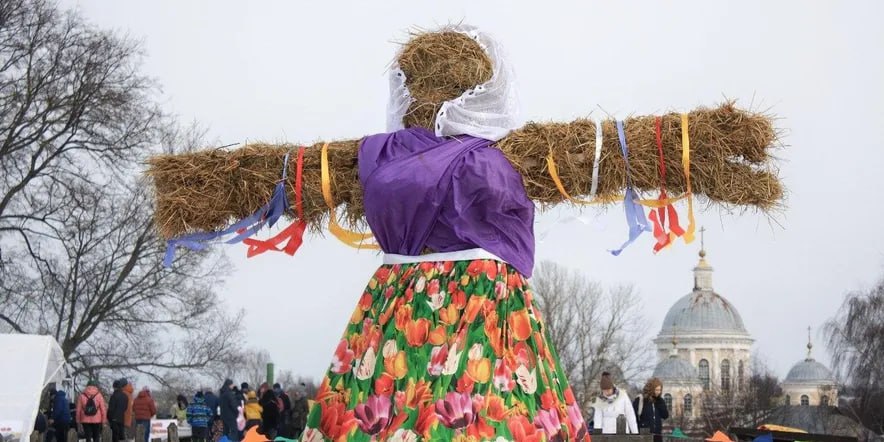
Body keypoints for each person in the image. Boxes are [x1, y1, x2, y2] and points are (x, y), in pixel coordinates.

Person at [633, 377, 669, 442]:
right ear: (651, 389)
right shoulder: (641, 400)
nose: (658, 392)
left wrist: (660, 402)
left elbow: (665, 415)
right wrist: (637, 432)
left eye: (660, 390)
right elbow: (633, 417)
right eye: (656, 390)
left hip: (657, 435)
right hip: (644, 434)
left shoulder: (660, 401)